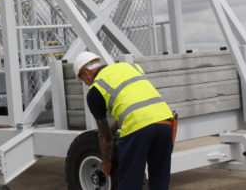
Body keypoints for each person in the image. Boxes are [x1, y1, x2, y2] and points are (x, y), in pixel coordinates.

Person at [74, 51, 176, 189]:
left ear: (86, 73)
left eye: (82, 80)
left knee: (130, 182)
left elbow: (105, 136)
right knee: (159, 181)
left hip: (137, 128)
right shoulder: (128, 67)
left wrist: (106, 162)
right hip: (165, 122)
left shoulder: (95, 91)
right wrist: (116, 125)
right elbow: (136, 100)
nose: (86, 85)